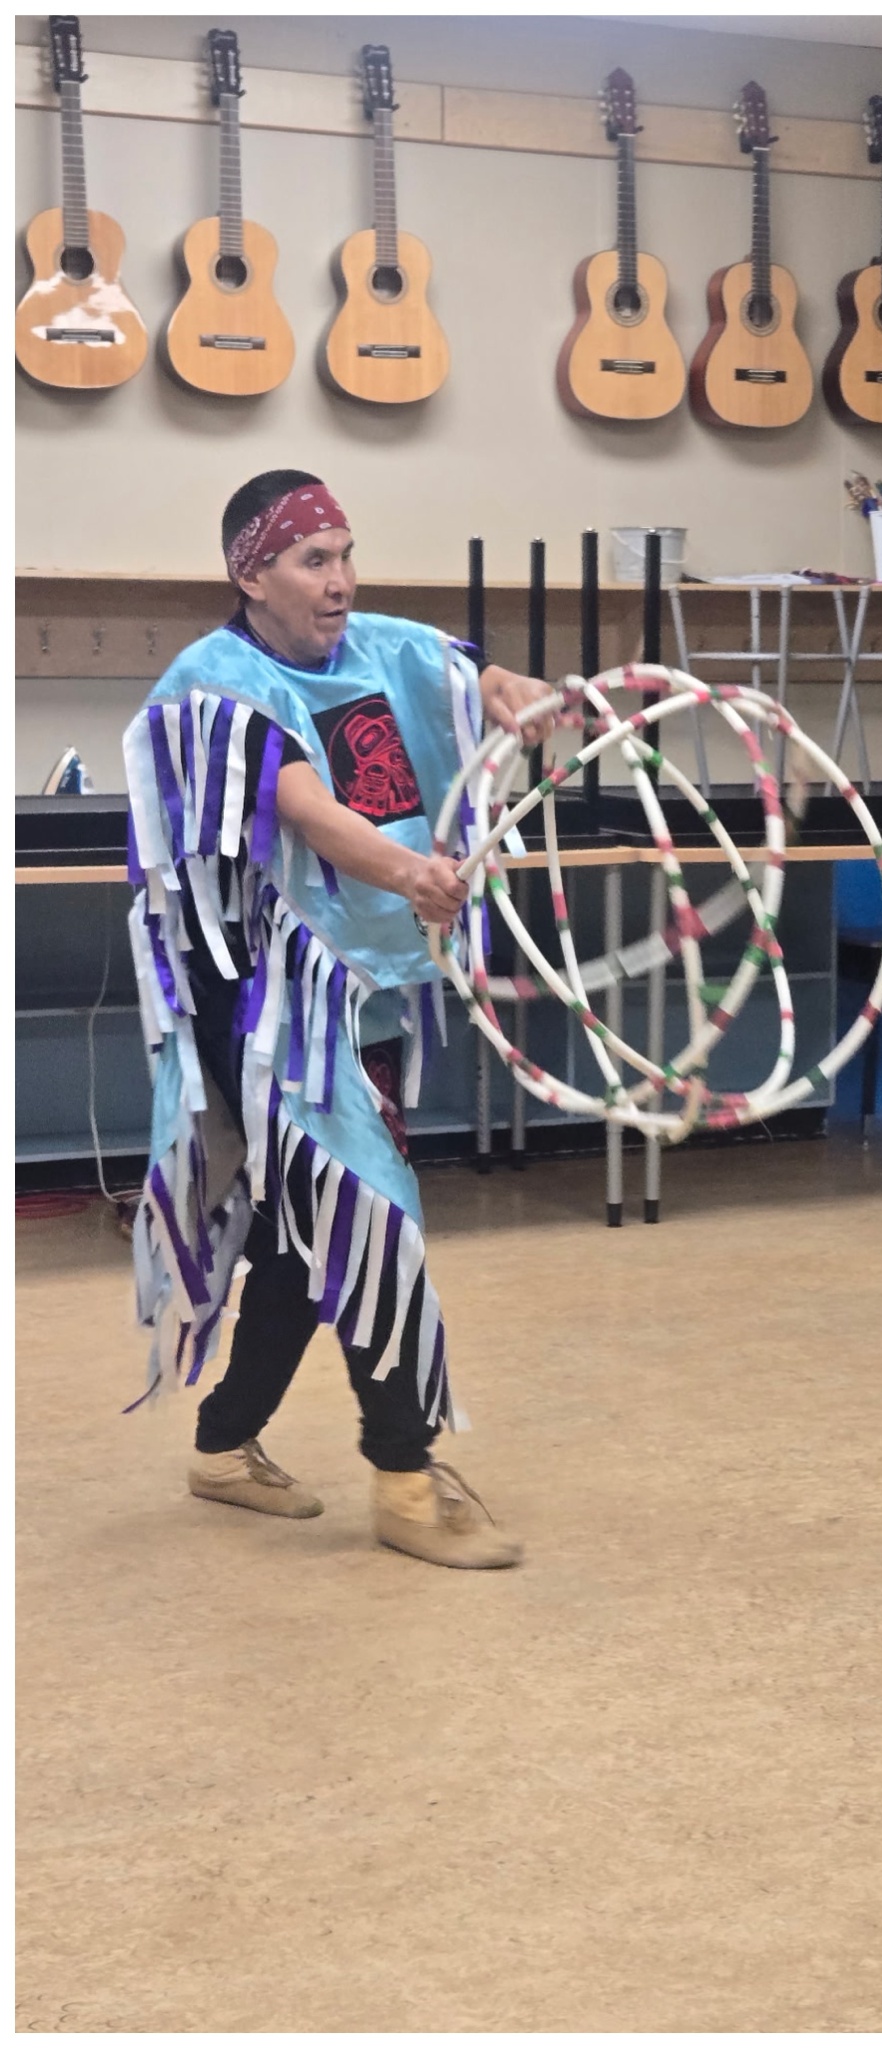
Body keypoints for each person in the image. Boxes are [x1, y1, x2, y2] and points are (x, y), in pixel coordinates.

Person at [124, 470, 557, 1567]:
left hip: (365, 988)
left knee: (298, 1234)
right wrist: (415, 870)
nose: (340, 581)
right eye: (314, 561)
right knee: (371, 1211)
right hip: (266, 1002)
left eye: (346, 555)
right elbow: (308, 810)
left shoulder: (376, 645)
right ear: (249, 571)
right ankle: (405, 1479)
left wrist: (515, 694)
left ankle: (223, 1444)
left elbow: (472, 678)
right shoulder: (209, 685)